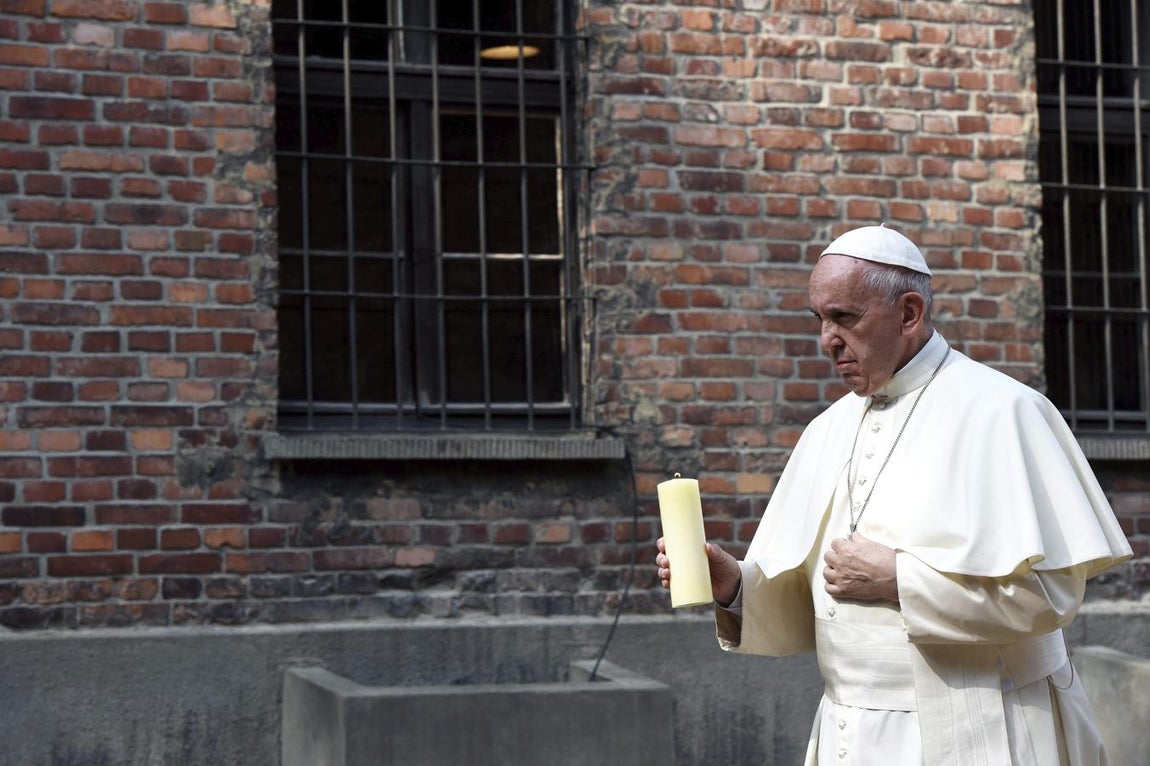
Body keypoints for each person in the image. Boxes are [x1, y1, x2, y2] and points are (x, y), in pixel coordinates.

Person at [654, 224, 1132, 766]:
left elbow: (1049, 598)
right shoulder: (827, 430)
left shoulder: (1005, 411)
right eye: (820, 320)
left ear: (908, 314)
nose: (826, 339)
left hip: (985, 724)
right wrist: (734, 585)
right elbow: (812, 610)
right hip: (848, 734)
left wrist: (900, 579)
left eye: (844, 318)